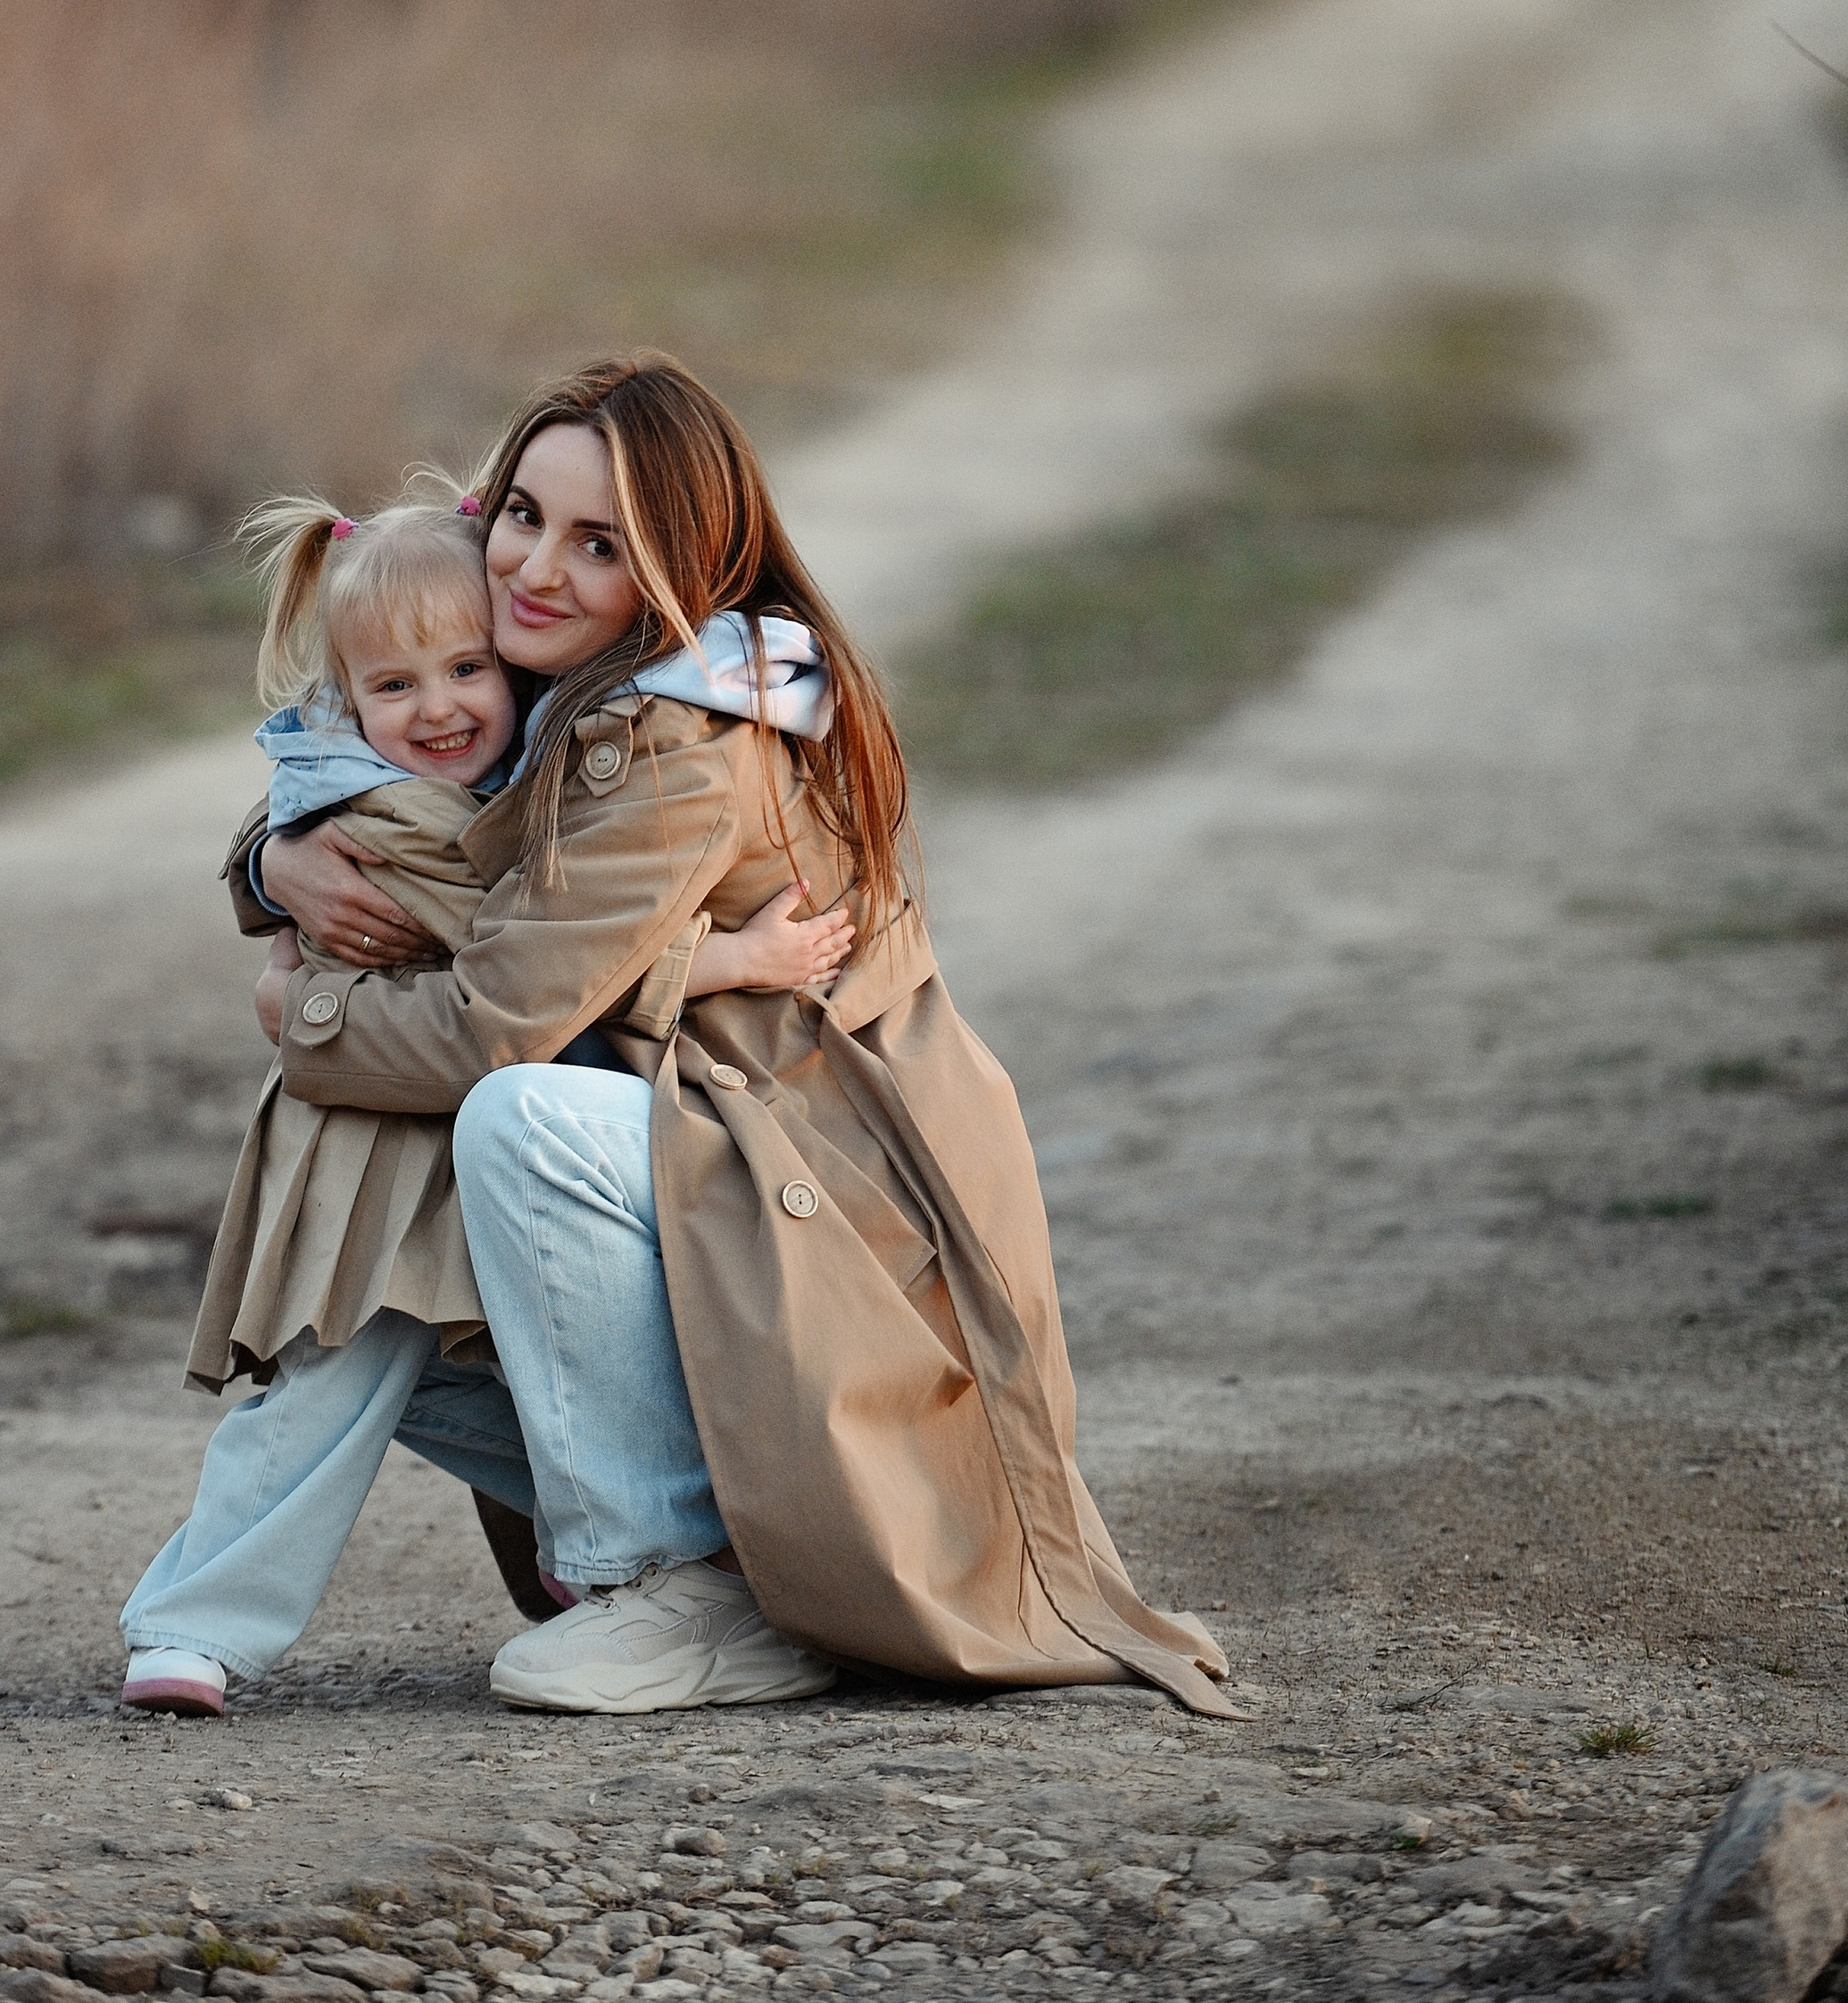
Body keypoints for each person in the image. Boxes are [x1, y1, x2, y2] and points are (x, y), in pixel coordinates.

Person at [248, 351, 1241, 1719]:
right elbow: (374, 765)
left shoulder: (682, 739)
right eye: (523, 515)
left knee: (514, 1118)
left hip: (829, 1205)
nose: (535, 566)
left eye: (600, 544)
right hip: (728, 1152)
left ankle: (683, 1584)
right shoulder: (570, 679)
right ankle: (732, 1566)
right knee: (369, 1295)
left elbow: (492, 1024)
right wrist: (274, 862)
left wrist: (302, 1014)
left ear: (678, 566)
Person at [120, 489, 848, 1714]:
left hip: (438, 1142)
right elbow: (526, 960)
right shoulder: (392, 813)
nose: (440, 707)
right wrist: (725, 961)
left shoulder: (476, 765)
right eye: (395, 687)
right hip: (376, 1153)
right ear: (348, 702)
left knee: (464, 1368)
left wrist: (267, 865)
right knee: (329, 1375)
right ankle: (189, 1629)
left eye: (467, 669)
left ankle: (643, 1543)